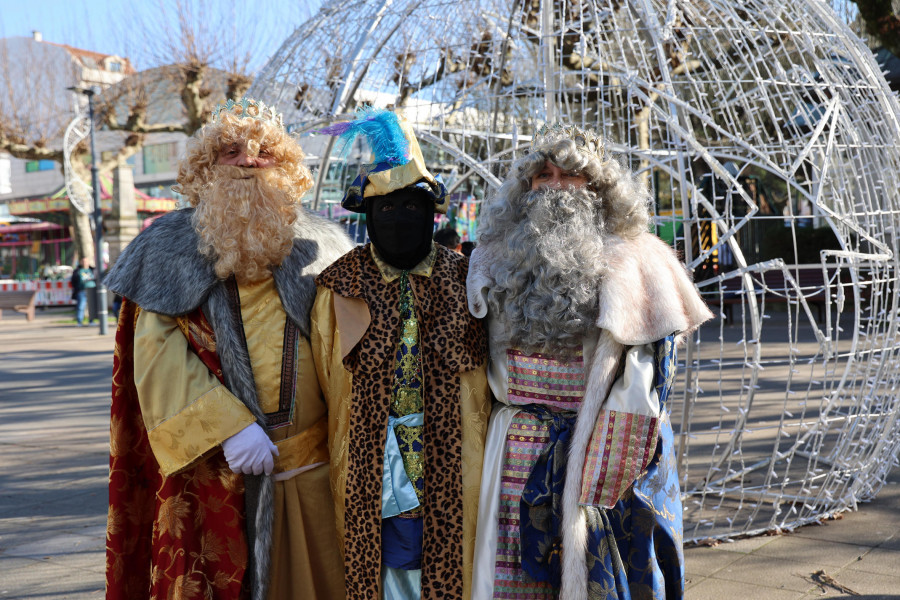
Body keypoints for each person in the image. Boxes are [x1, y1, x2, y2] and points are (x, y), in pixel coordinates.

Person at [104, 97, 352, 600]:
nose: (248, 162)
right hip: (215, 473)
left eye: (263, 153)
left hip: (316, 474)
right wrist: (229, 427)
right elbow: (153, 352)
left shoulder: (326, 243)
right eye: (232, 151)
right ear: (205, 168)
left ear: (285, 168)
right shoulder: (166, 245)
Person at [467, 124, 713, 599]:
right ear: (527, 186)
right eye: (544, 176)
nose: (555, 186)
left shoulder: (638, 263)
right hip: (513, 451)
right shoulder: (492, 258)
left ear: (598, 188)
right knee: (510, 580)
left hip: (599, 456)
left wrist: (601, 472)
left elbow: (646, 381)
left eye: (571, 176)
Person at [311, 108, 490, 600]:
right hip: (367, 465)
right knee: (377, 573)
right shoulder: (339, 286)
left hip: (457, 466)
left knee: (453, 567)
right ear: (367, 216)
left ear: (431, 213)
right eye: (385, 209)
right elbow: (321, 382)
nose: (398, 219)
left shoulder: (467, 280)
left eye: (411, 207)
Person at [70, 257, 96, 326]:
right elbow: (73, 281)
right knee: (81, 306)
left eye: (86, 261)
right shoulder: (78, 271)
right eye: (83, 261)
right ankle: (79, 321)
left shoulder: (92, 270)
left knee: (91, 306)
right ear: (81, 262)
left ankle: (91, 320)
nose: (85, 263)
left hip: (91, 291)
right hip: (81, 291)